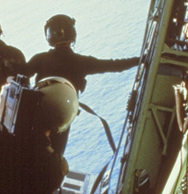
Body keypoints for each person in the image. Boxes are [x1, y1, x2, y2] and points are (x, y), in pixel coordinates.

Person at [25, 14, 140, 153]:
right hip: (62, 118)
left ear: (49, 36)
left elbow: (20, 74)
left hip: (37, 117)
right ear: (72, 34)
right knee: (54, 155)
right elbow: (115, 65)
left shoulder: (40, 59)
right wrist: (139, 60)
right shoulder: (82, 62)